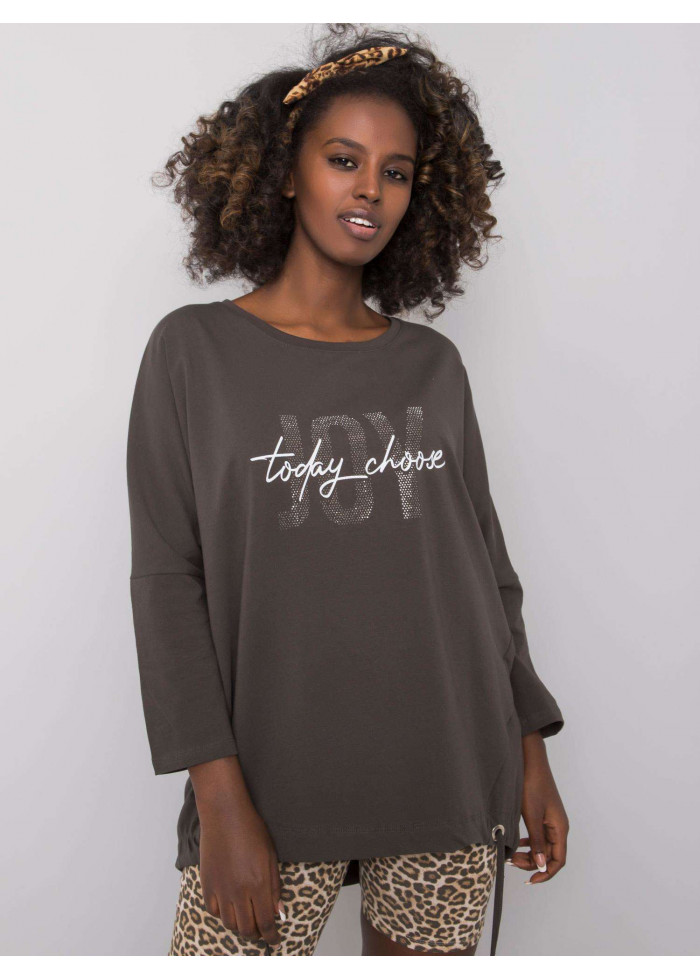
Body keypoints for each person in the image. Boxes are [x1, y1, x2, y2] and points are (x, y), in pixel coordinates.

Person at [126, 25, 569, 957]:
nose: (370, 188)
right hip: (269, 788)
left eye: (395, 172)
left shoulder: (432, 367)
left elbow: (486, 574)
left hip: (449, 774)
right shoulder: (192, 352)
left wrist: (529, 747)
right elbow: (167, 584)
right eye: (343, 159)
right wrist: (218, 798)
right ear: (286, 172)